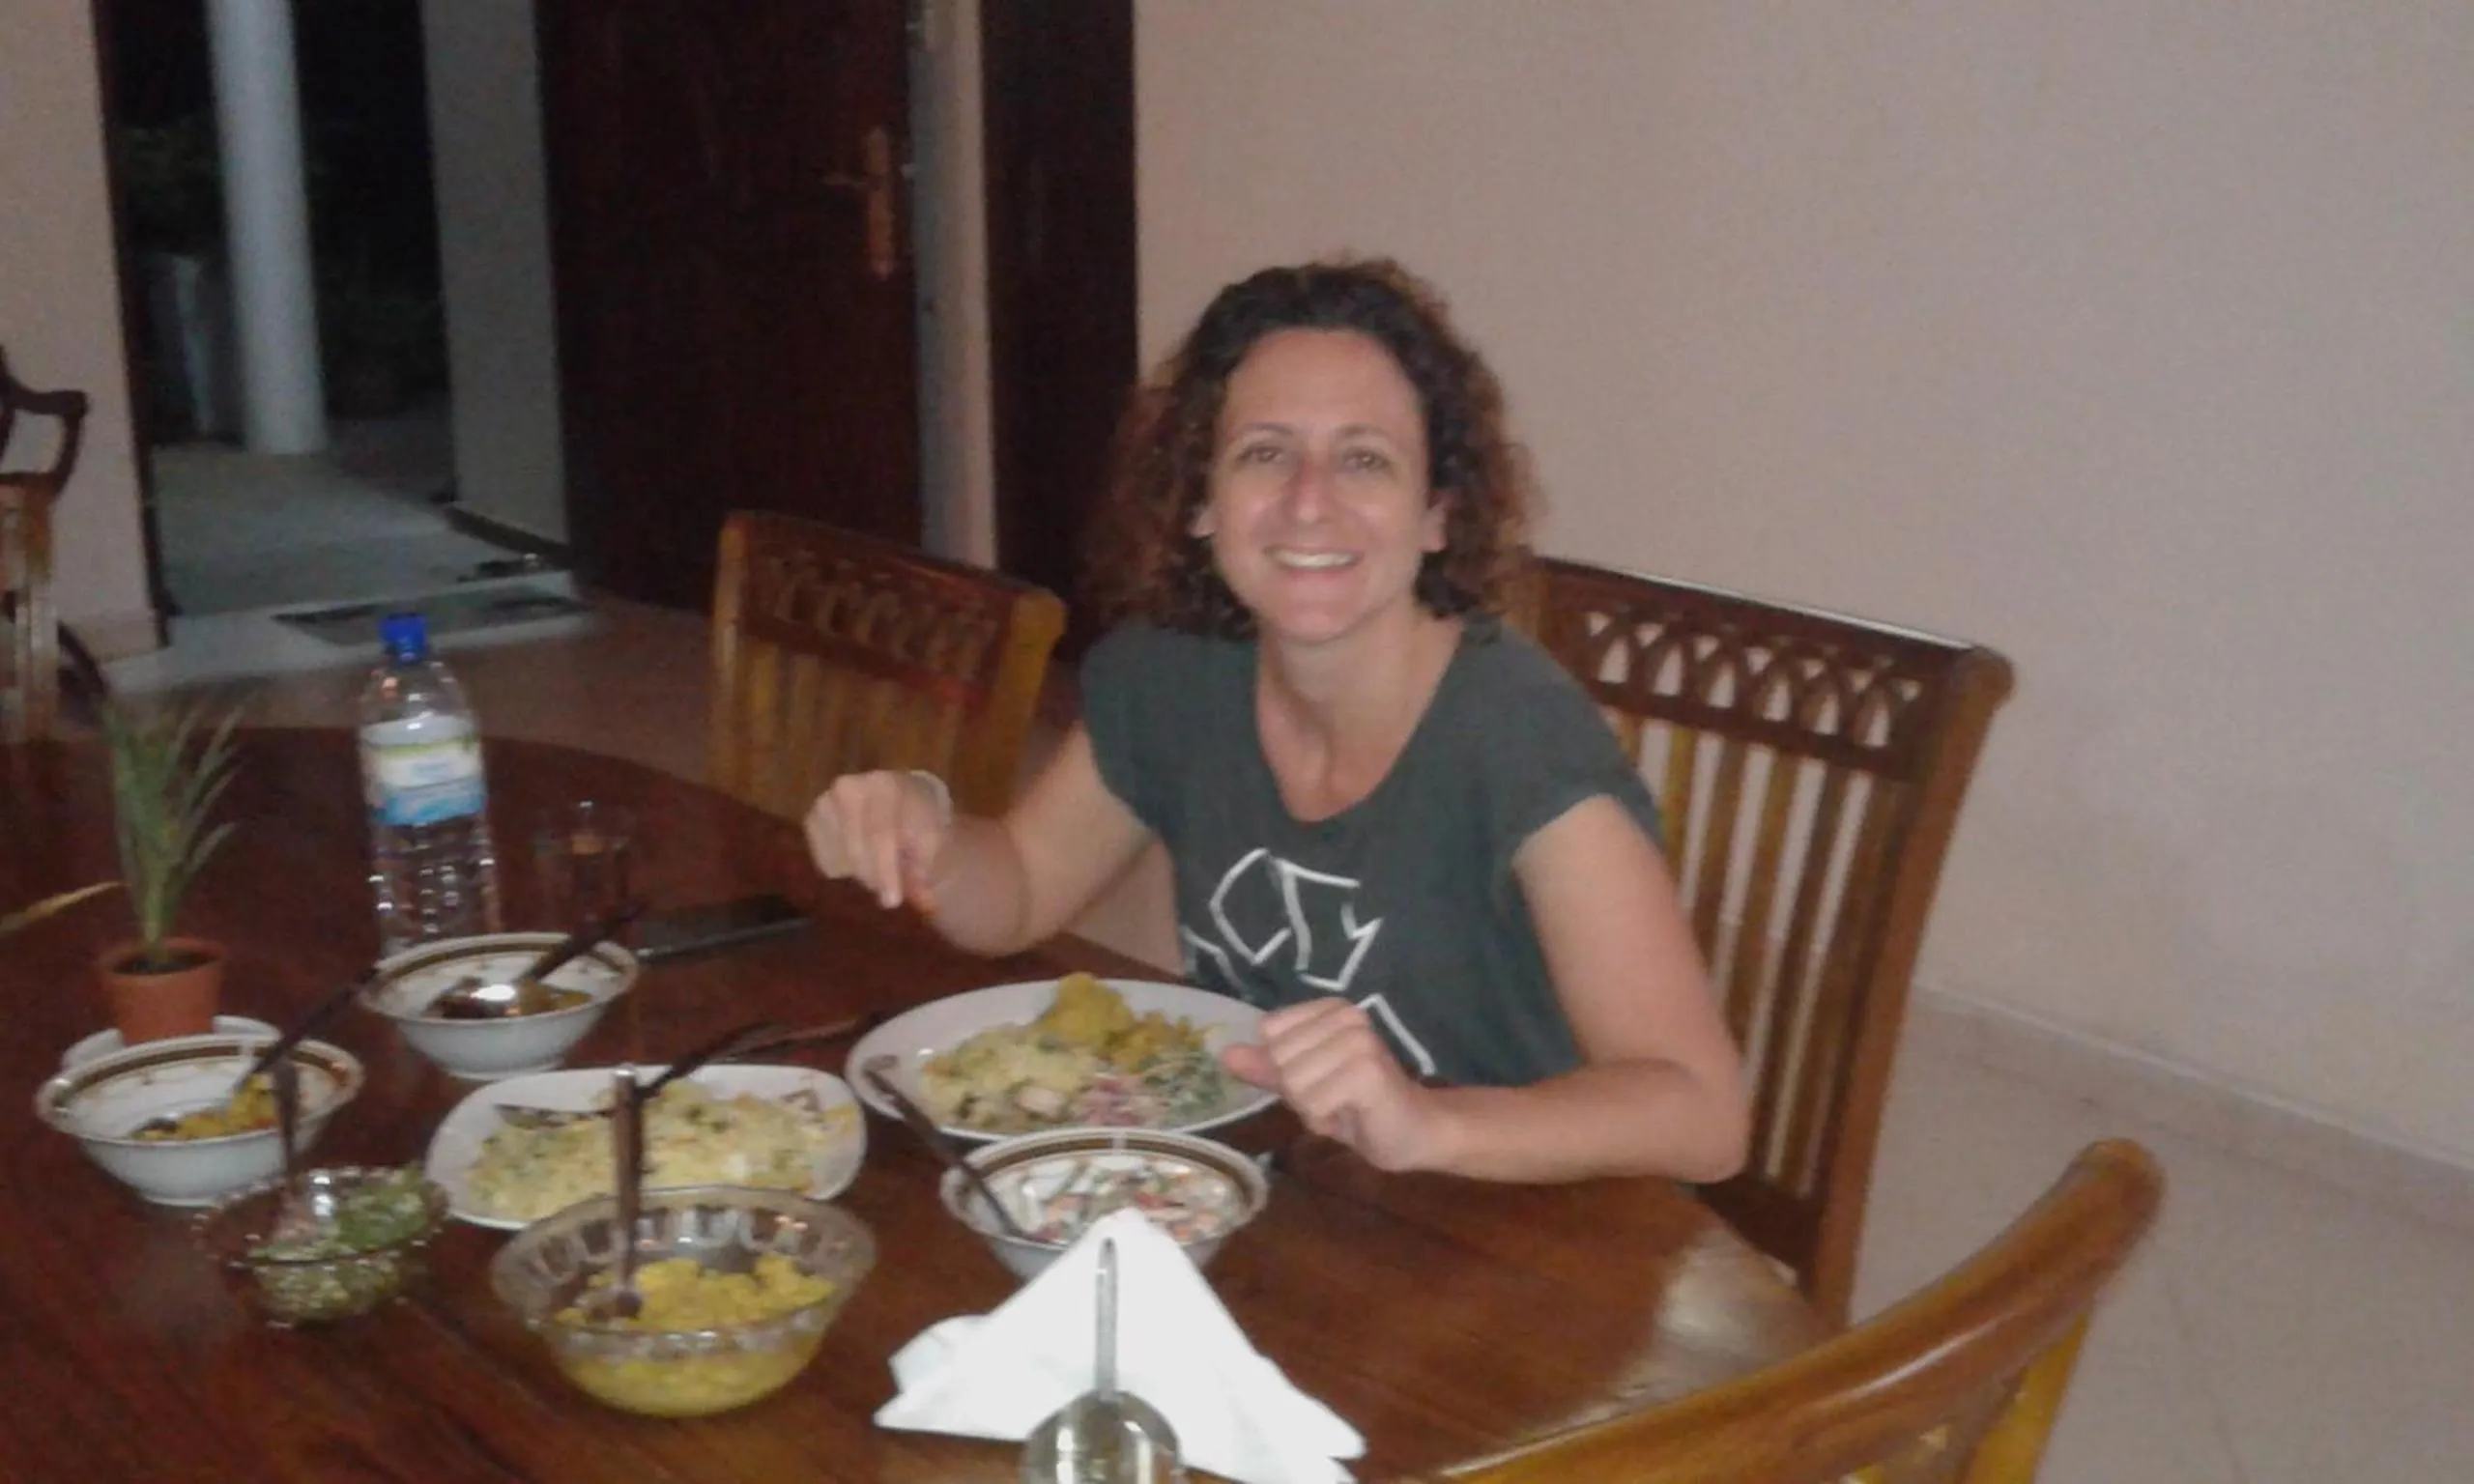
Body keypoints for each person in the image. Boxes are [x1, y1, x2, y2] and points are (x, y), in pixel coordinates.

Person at [807, 259, 1747, 1184]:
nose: (1308, 501)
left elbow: (1701, 1114)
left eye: (1363, 459)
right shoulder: (1173, 672)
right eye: (1265, 453)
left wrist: (1430, 1125)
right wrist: (922, 835)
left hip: (1508, 1232)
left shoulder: (1520, 743)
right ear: (1202, 500)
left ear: (1435, 516)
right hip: (1293, 1189)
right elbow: (1015, 890)